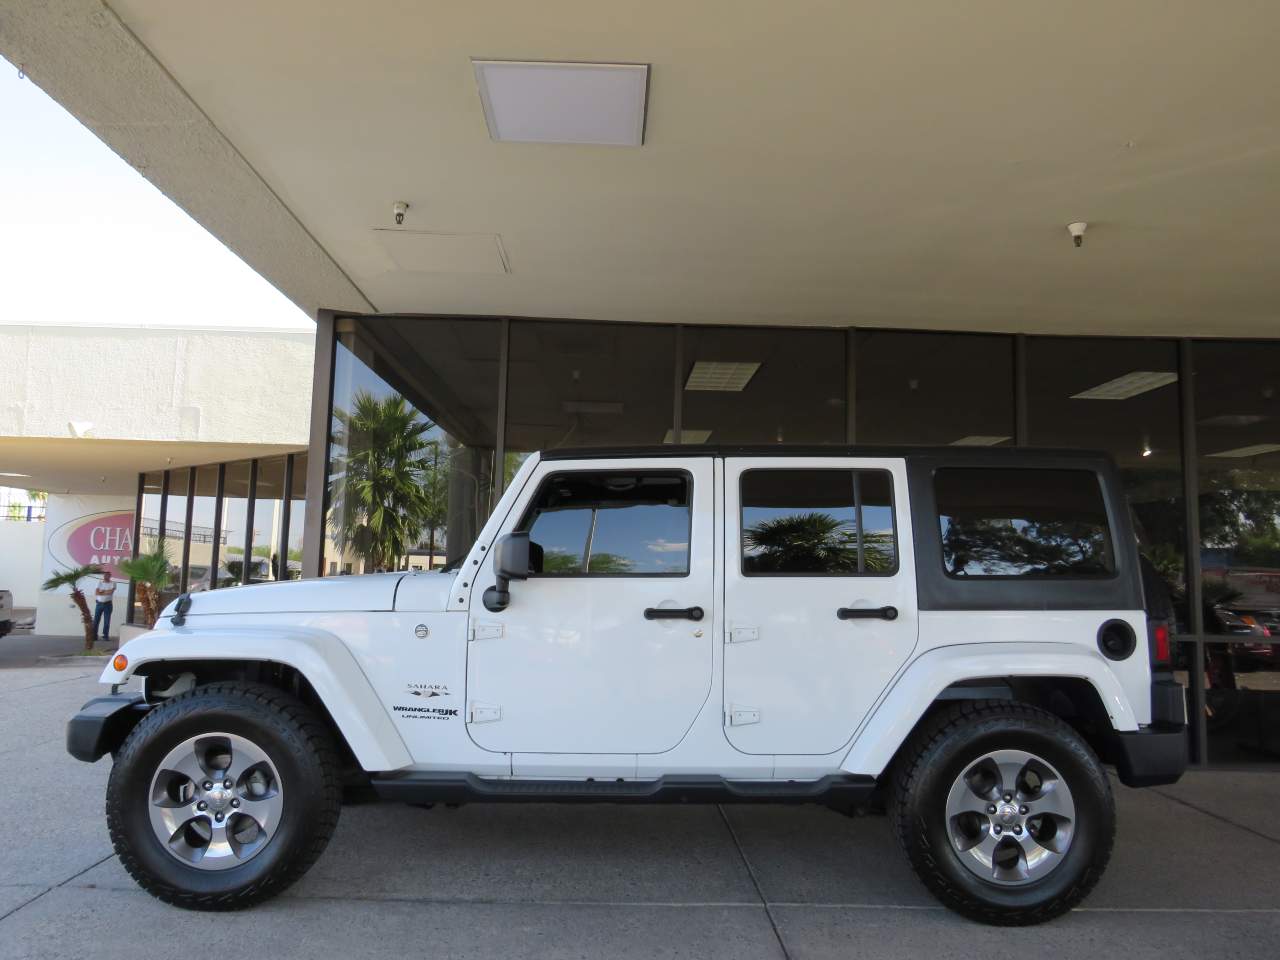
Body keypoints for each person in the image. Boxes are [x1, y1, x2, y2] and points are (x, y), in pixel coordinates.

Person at [93, 571, 116, 643]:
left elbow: (110, 592)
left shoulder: (113, 583)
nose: (106, 576)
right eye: (105, 575)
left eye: (107, 575)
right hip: (99, 604)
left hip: (108, 604)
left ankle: (105, 636)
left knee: (107, 621)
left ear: (110, 576)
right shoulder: (99, 583)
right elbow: (96, 593)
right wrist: (105, 592)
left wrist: (101, 592)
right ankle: (94, 636)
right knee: (96, 620)